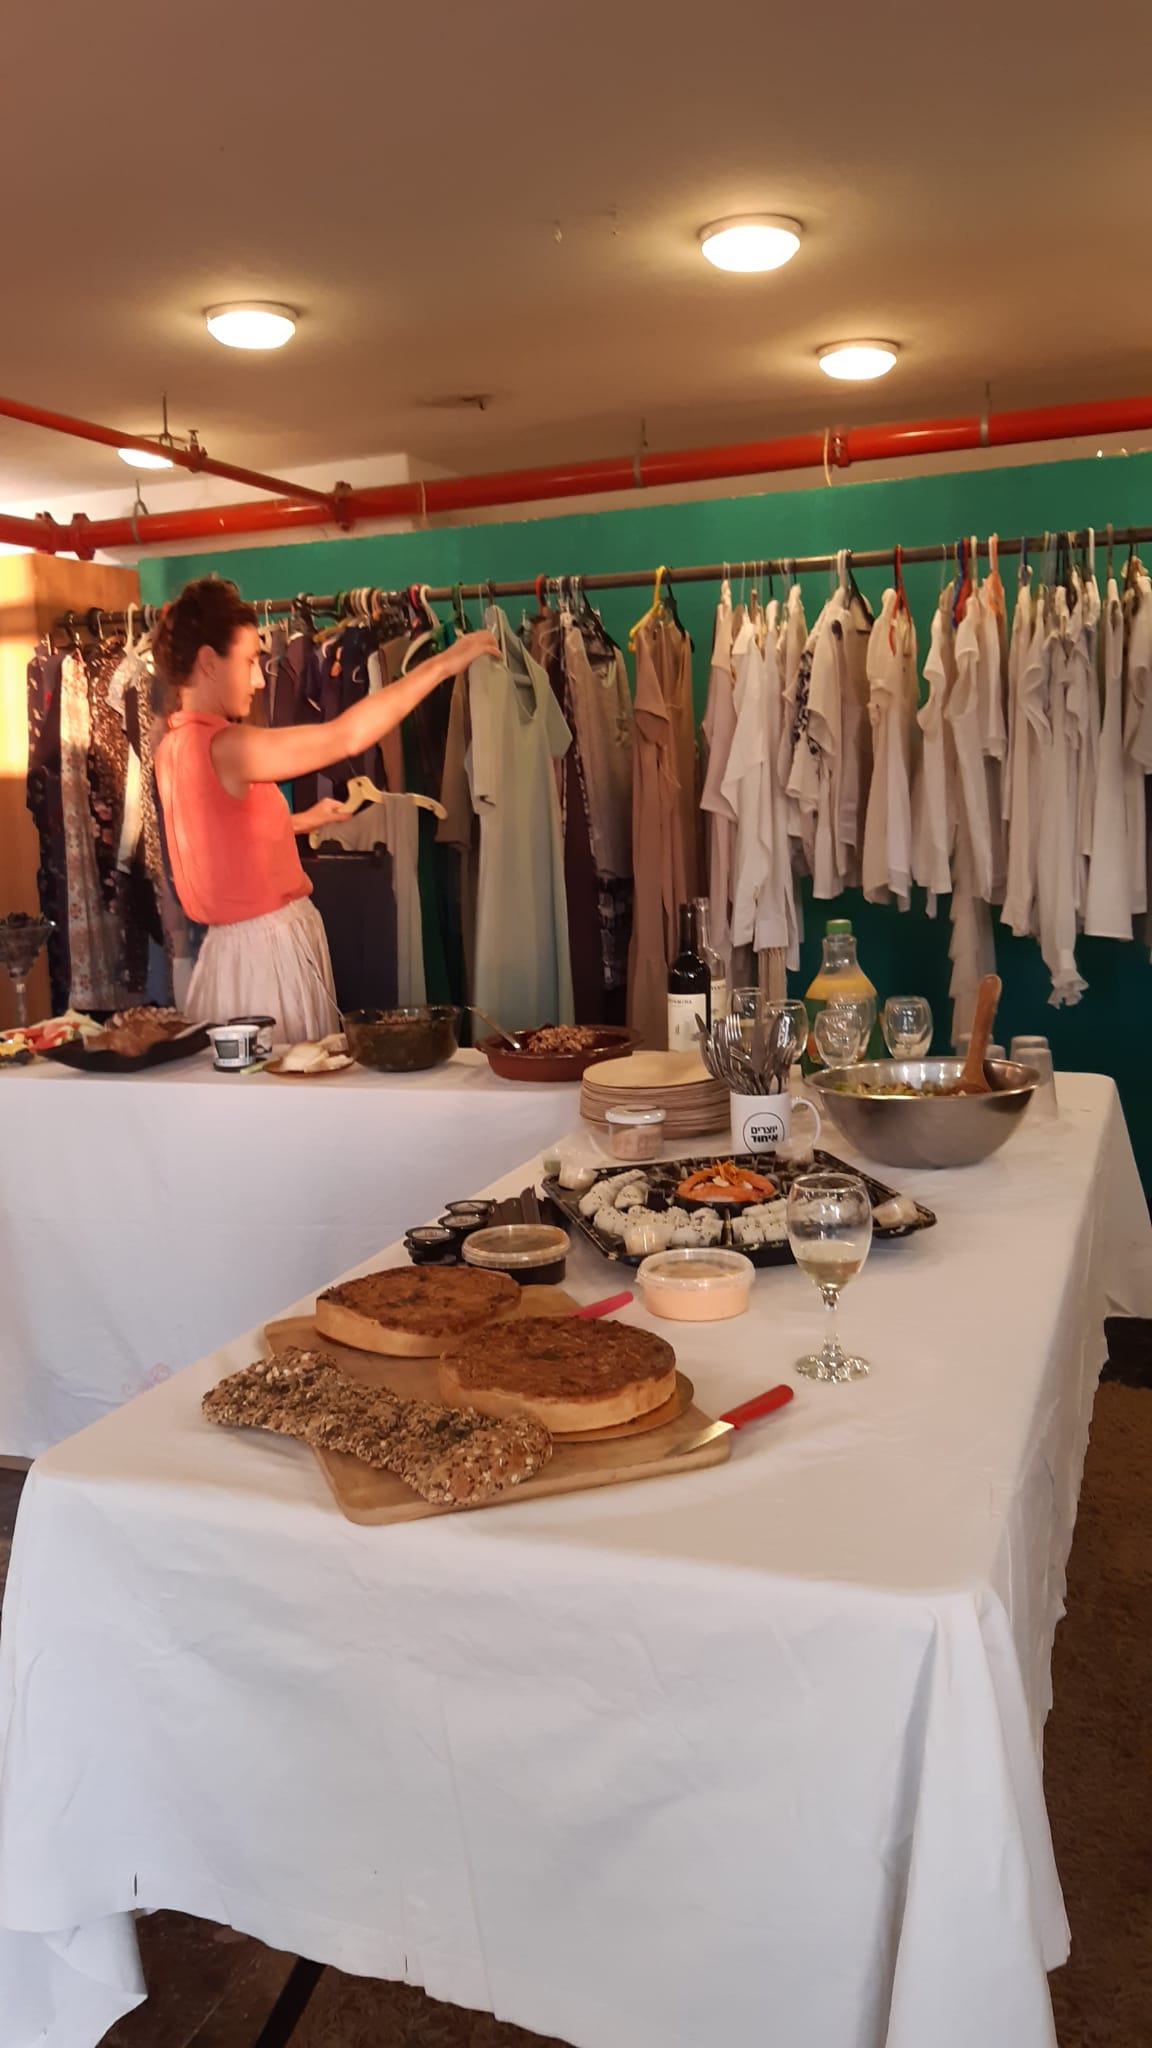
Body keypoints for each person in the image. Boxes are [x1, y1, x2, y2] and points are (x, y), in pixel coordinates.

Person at [153, 577, 495, 1041]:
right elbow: (345, 737)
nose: (259, 679)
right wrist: (444, 664)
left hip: (228, 955)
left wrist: (296, 822)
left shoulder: (173, 745)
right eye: (250, 661)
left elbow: (215, 840)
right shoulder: (227, 746)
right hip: (265, 956)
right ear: (209, 662)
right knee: (288, 1077)